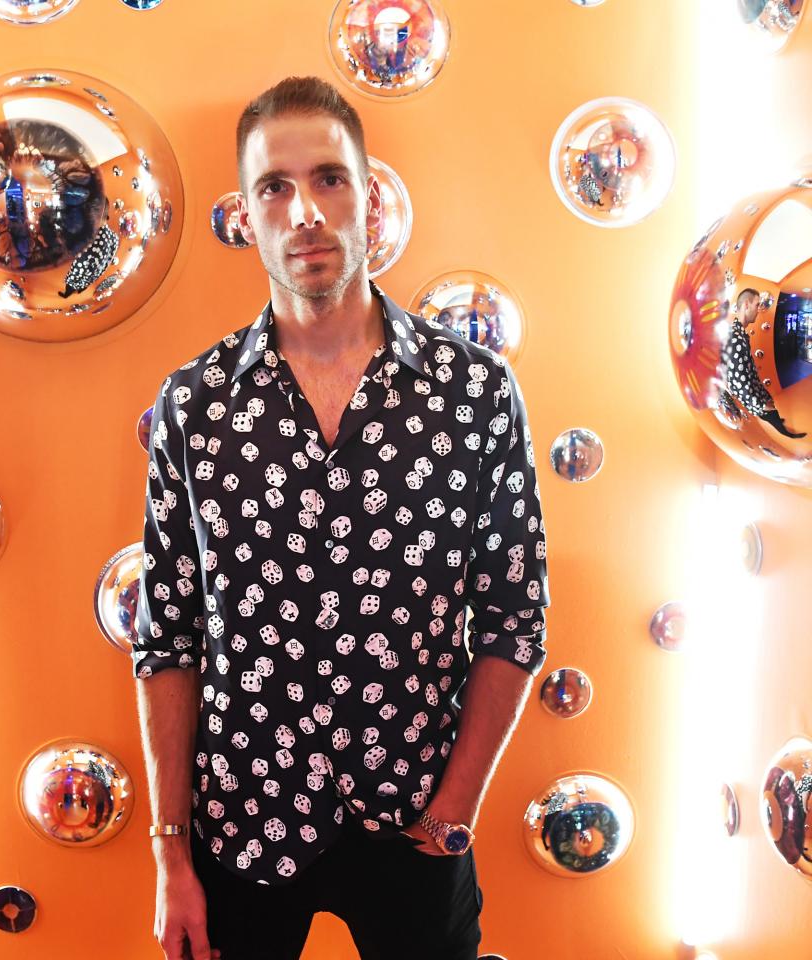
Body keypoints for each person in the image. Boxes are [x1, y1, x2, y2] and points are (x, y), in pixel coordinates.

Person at [133, 74, 551, 960]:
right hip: (241, 823)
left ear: (368, 193)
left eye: (328, 178)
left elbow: (514, 616)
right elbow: (165, 638)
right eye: (273, 188)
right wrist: (171, 856)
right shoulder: (195, 407)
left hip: (417, 821)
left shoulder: (474, 393)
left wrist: (456, 814)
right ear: (246, 215)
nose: (305, 212)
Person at [720, 287, 806, 438]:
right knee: (773, 416)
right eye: (756, 305)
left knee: (773, 410)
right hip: (754, 399)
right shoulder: (736, 338)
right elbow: (737, 382)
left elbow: (745, 372)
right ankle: (786, 432)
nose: (759, 310)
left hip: (756, 391)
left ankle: (776, 419)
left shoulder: (740, 333)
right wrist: (761, 406)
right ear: (746, 304)